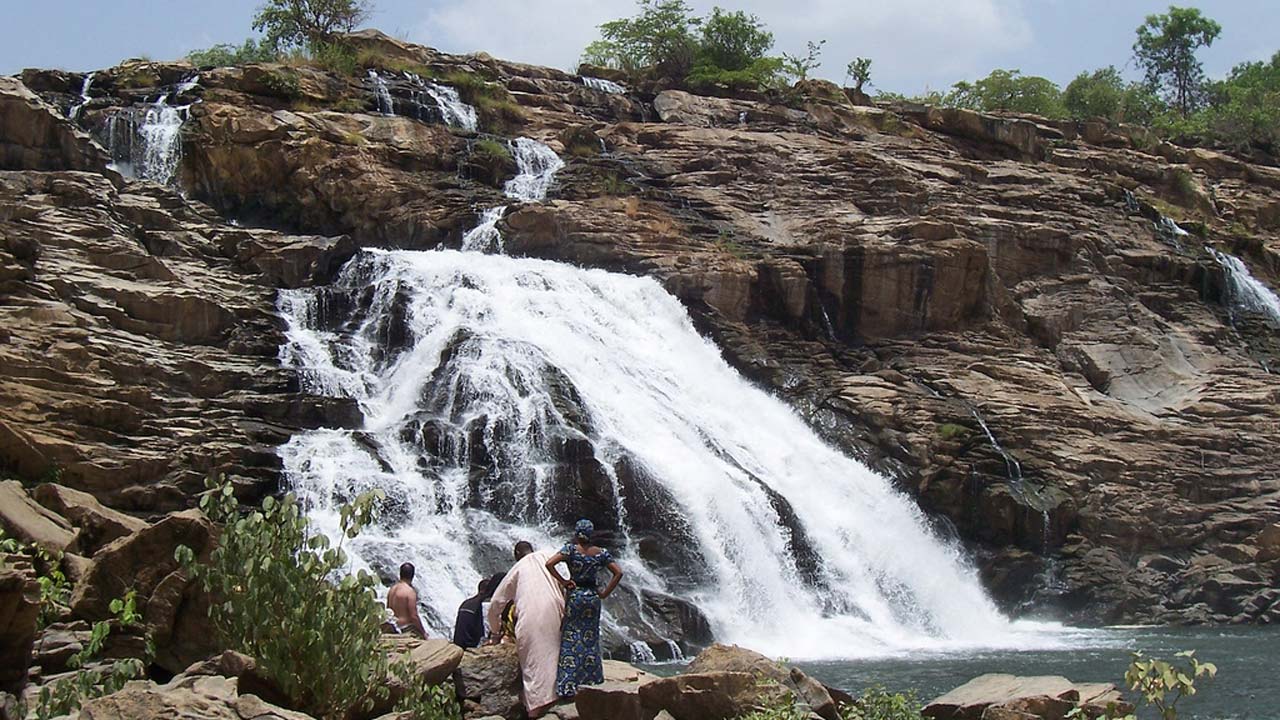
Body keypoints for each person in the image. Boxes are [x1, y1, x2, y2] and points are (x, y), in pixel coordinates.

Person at [486, 541, 565, 717]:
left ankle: (536, 710)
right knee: (555, 654)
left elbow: (496, 603)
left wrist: (495, 631)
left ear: (516, 554)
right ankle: (560, 697)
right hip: (557, 608)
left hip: (531, 614)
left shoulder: (517, 568)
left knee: (533, 662)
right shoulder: (548, 555)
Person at [546, 519, 622, 699]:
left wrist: (563, 581)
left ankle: (568, 683)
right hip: (592, 597)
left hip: (576, 595)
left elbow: (549, 564)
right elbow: (618, 572)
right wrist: (604, 593)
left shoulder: (570, 550)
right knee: (590, 636)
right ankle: (591, 678)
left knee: (571, 634)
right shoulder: (601, 553)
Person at [452, 572, 504, 649]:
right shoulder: (488, 605)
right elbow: (488, 634)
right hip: (472, 648)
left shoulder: (467, 603)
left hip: (459, 646)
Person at [386, 562, 429, 638]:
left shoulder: (392, 590)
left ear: (400, 574)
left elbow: (388, 611)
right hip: (404, 628)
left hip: (392, 627)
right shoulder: (409, 592)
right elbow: (414, 616)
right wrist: (423, 632)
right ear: (412, 576)